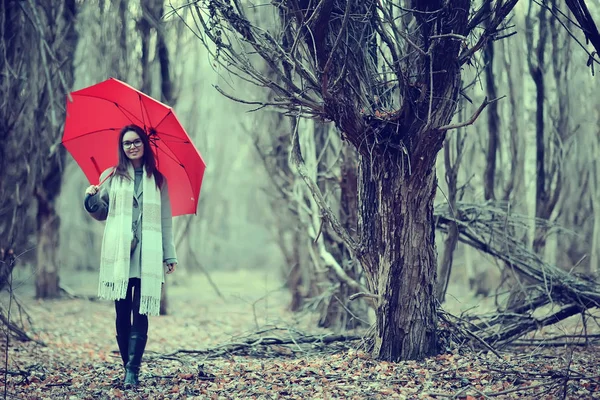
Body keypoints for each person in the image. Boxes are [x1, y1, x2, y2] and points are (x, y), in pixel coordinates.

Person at [84, 124, 177, 386]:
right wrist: (90, 199)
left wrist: (169, 255)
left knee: (141, 312)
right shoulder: (111, 177)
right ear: (121, 147)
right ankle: (128, 367)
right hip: (121, 253)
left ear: (145, 145)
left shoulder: (158, 181)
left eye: (136, 142)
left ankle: (132, 371)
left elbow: (165, 220)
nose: (132, 146)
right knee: (122, 312)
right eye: (127, 143)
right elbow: (102, 212)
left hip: (147, 253)